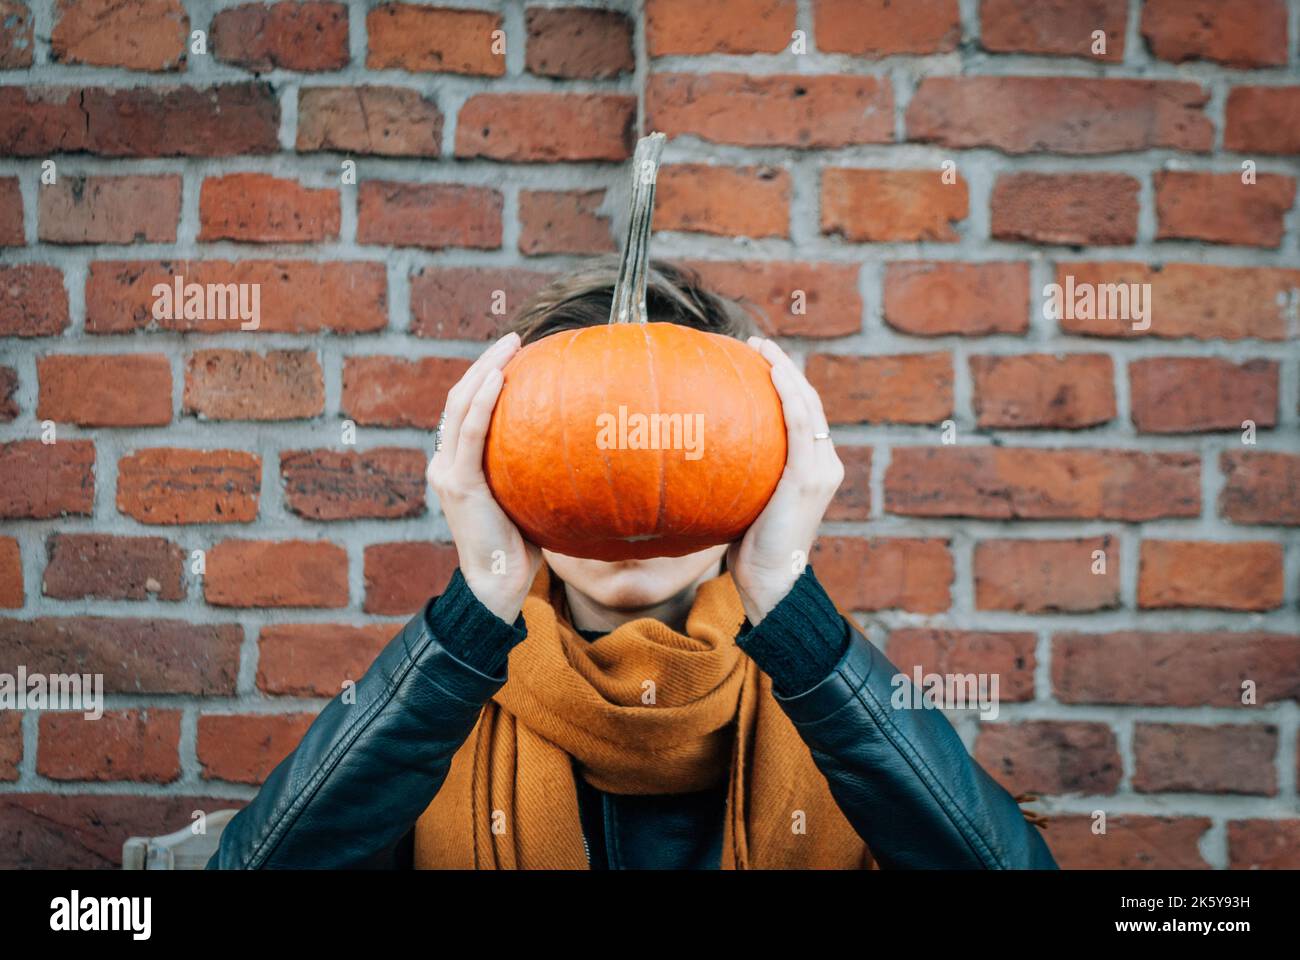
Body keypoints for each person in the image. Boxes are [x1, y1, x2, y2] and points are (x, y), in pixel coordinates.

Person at [207, 258, 1059, 870]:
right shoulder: (436, 709)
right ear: (494, 466)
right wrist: (476, 606)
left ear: (768, 465)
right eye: (588, 448)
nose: (634, 498)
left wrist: (789, 602)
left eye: (677, 446)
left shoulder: (836, 705)